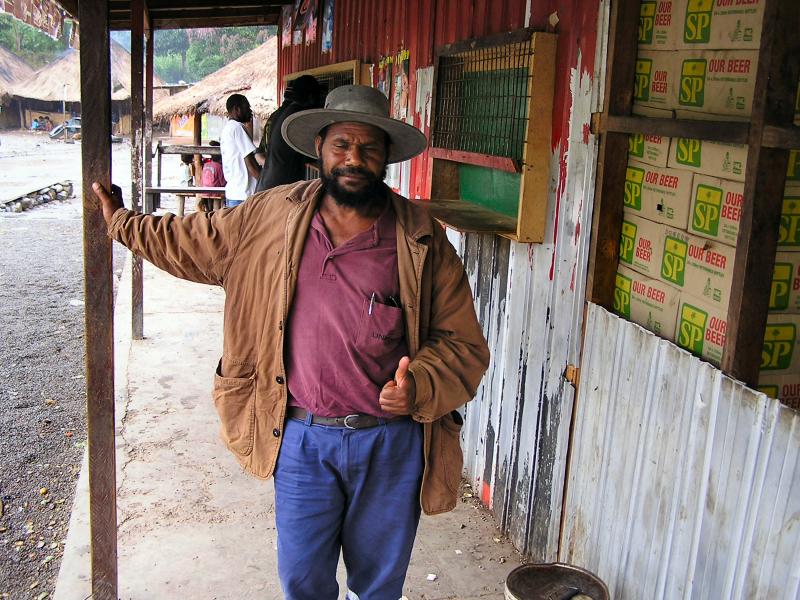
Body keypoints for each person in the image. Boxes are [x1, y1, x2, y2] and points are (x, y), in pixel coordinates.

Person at [92, 85, 490, 600]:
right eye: (342, 144)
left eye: (369, 148)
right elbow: (190, 240)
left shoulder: (421, 238)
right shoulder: (268, 217)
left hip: (390, 445)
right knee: (302, 581)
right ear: (320, 148)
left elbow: (464, 345)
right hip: (300, 438)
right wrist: (123, 224)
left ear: (387, 157)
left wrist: (419, 385)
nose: (354, 159)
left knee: (379, 586)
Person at [254, 74, 322, 192]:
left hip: (268, 184)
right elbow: (311, 156)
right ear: (311, 97)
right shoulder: (298, 118)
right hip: (278, 189)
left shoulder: (280, 113)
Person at [220, 93, 259, 207]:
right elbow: (250, 164)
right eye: (247, 108)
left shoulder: (227, 129)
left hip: (233, 193)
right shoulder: (238, 128)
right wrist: (266, 185)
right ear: (237, 109)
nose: (250, 111)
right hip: (244, 195)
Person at [197, 140, 226, 212]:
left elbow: (202, 180)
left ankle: (207, 211)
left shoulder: (206, 165)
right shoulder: (219, 166)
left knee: (208, 208)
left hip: (204, 191)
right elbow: (222, 183)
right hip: (215, 193)